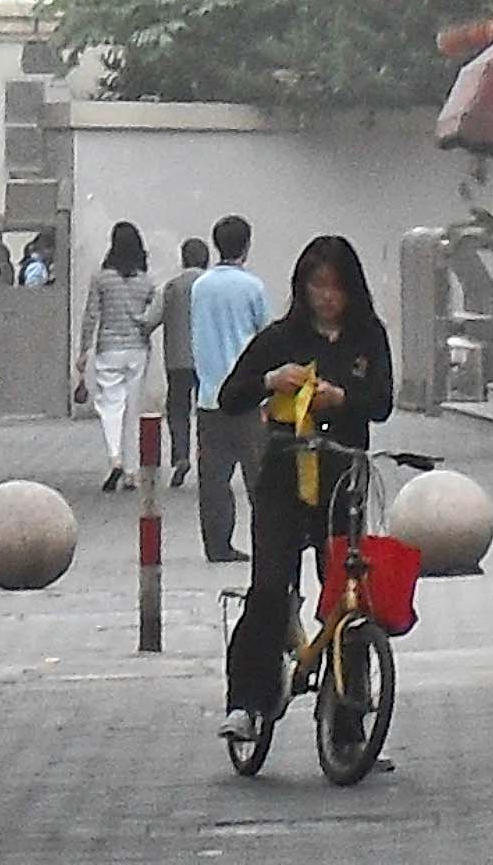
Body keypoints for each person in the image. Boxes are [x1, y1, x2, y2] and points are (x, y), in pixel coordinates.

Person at [216, 235, 394, 742]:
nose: (327, 297)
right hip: (283, 479)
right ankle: (246, 703)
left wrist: (344, 399)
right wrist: (271, 380)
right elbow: (231, 394)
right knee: (271, 588)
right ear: (303, 288)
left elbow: (381, 402)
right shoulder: (280, 338)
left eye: (336, 287)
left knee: (349, 595)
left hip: (342, 481)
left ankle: (348, 720)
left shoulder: (368, 337)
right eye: (317, 286)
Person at [190, 215, 270, 563]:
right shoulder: (253, 288)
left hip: (209, 398)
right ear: (247, 245)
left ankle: (217, 545)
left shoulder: (201, 286)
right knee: (260, 479)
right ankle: (268, 541)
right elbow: (267, 339)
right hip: (249, 398)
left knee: (214, 480)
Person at [75, 222, 156, 493]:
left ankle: (115, 459)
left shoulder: (101, 278)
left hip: (108, 348)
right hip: (137, 349)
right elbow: (151, 317)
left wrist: (83, 351)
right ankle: (132, 471)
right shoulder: (146, 281)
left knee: (110, 407)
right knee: (133, 410)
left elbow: (91, 315)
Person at [143, 238, 209, 488]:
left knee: (178, 410)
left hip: (177, 360)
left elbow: (150, 320)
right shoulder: (212, 285)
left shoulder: (171, 288)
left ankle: (181, 456)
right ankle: (206, 456)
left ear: (183, 259)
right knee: (207, 411)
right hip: (207, 359)